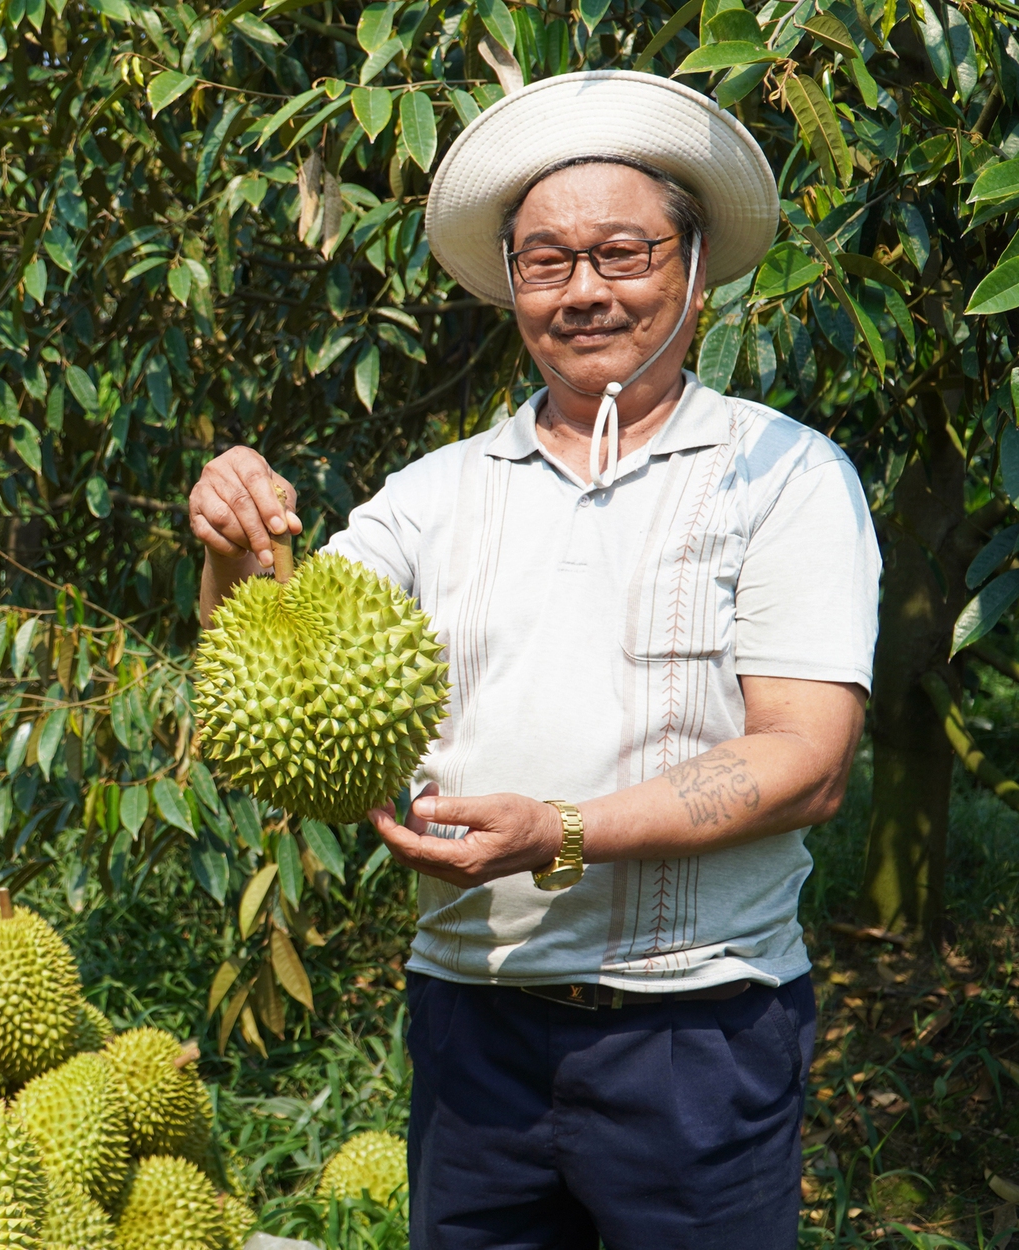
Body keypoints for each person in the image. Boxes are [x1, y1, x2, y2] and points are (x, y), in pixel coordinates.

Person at [188, 72, 880, 1249]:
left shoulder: (783, 475)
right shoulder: (434, 494)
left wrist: (559, 830)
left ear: (693, 271)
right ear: (509, 285)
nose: (585, 291)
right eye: (544, 261)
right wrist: (230, 534)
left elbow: (806, 762)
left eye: (622, 251)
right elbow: (280, 651)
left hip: (696, 1029)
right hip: (471, 1023)